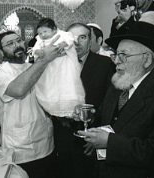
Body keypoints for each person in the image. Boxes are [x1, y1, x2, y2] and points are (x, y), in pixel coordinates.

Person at [78, 15, 154, 178]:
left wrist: (109, 142)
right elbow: (107, 119)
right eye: (116, 55)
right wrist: (89, 117)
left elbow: (152, 151)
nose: (116, 62)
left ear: (147, 59)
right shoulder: (119, 82)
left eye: (124, 55)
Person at [0, 30, 64, 178]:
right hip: (20, 149)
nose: (17, 45)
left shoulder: (32, 66)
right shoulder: (0, 73)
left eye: (18, 41)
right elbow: (18, 90)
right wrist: (43, 60)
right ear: (0, 51)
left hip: (45, 142)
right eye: (10, 44)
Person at [52, 23, 115, 178]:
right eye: (72, 38)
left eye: (83, 37)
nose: (77, 42)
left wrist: (98, 136)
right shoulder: (55, 65)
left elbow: (111, 103)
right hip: (63, 138)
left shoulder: (105, 64)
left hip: (92, 139)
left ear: (90, 40)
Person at [32, 18, 85, 117]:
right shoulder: (40, 40)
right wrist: (38, 51)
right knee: (51, 85)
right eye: (40, 33)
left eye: (45, 31)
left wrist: (64, 43)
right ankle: (52, 106)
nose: (43, 35)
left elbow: (70, 40)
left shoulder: (62, 35)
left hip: (64, 65)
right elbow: (35, 49)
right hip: (50, 67)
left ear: (54, 29)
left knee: (66, 85)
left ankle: (69, 107)